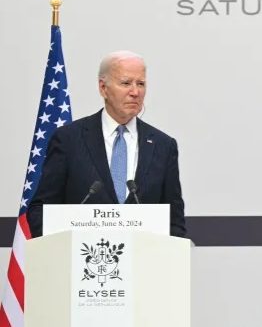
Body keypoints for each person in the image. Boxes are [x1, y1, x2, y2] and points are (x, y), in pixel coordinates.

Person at [28, 51, 187, 237]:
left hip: (144, 254)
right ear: (103, 88)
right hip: (82, 253)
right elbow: (41, 211)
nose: (135, 92)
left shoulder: (163, 145)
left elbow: (174, 221)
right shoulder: (69, 139)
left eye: (141, 84)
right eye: (126, 83)